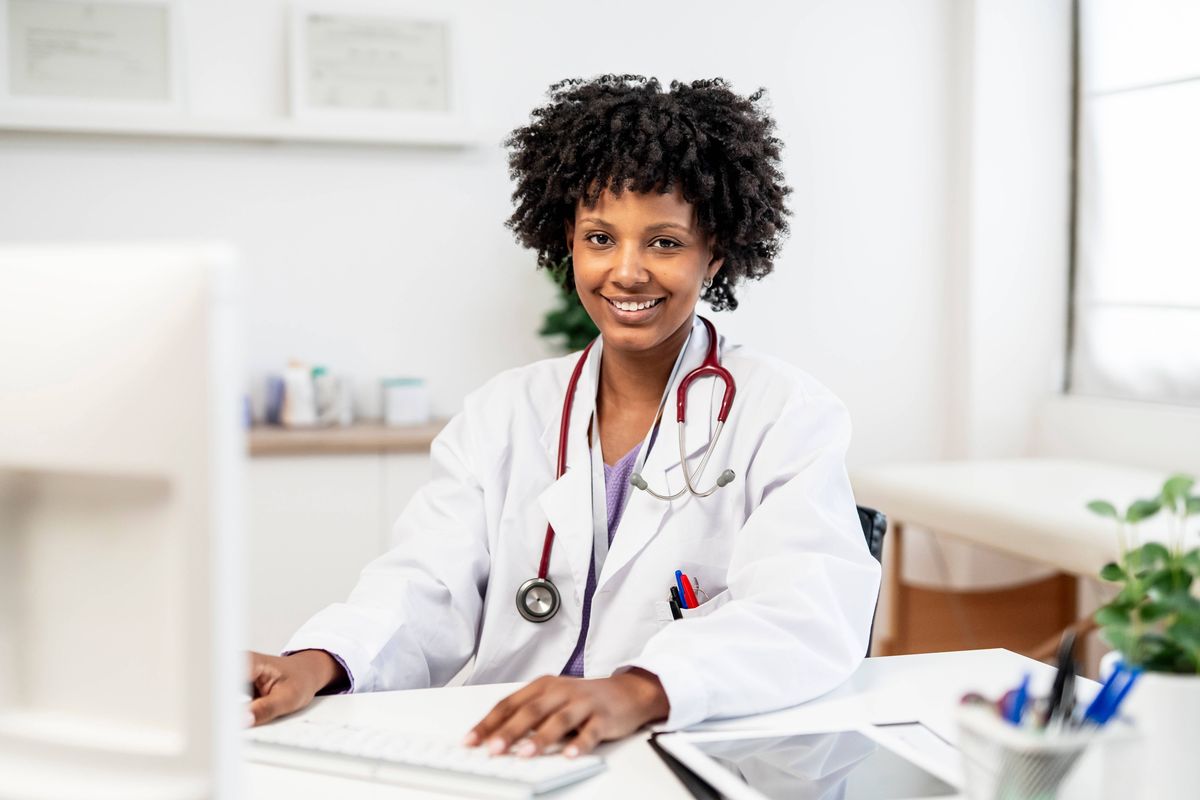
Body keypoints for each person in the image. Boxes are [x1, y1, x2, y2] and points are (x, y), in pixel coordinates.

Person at [248, 75, 881, 759]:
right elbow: (425, 582)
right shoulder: (504, 413)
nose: (628, 272)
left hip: (685, 748)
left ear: (716, 253)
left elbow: (806, 612)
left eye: (665, 242)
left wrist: (637, 688)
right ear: (567, 245)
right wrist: (319, 660)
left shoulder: (785, 414)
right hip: (515, 752)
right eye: (600, 238)